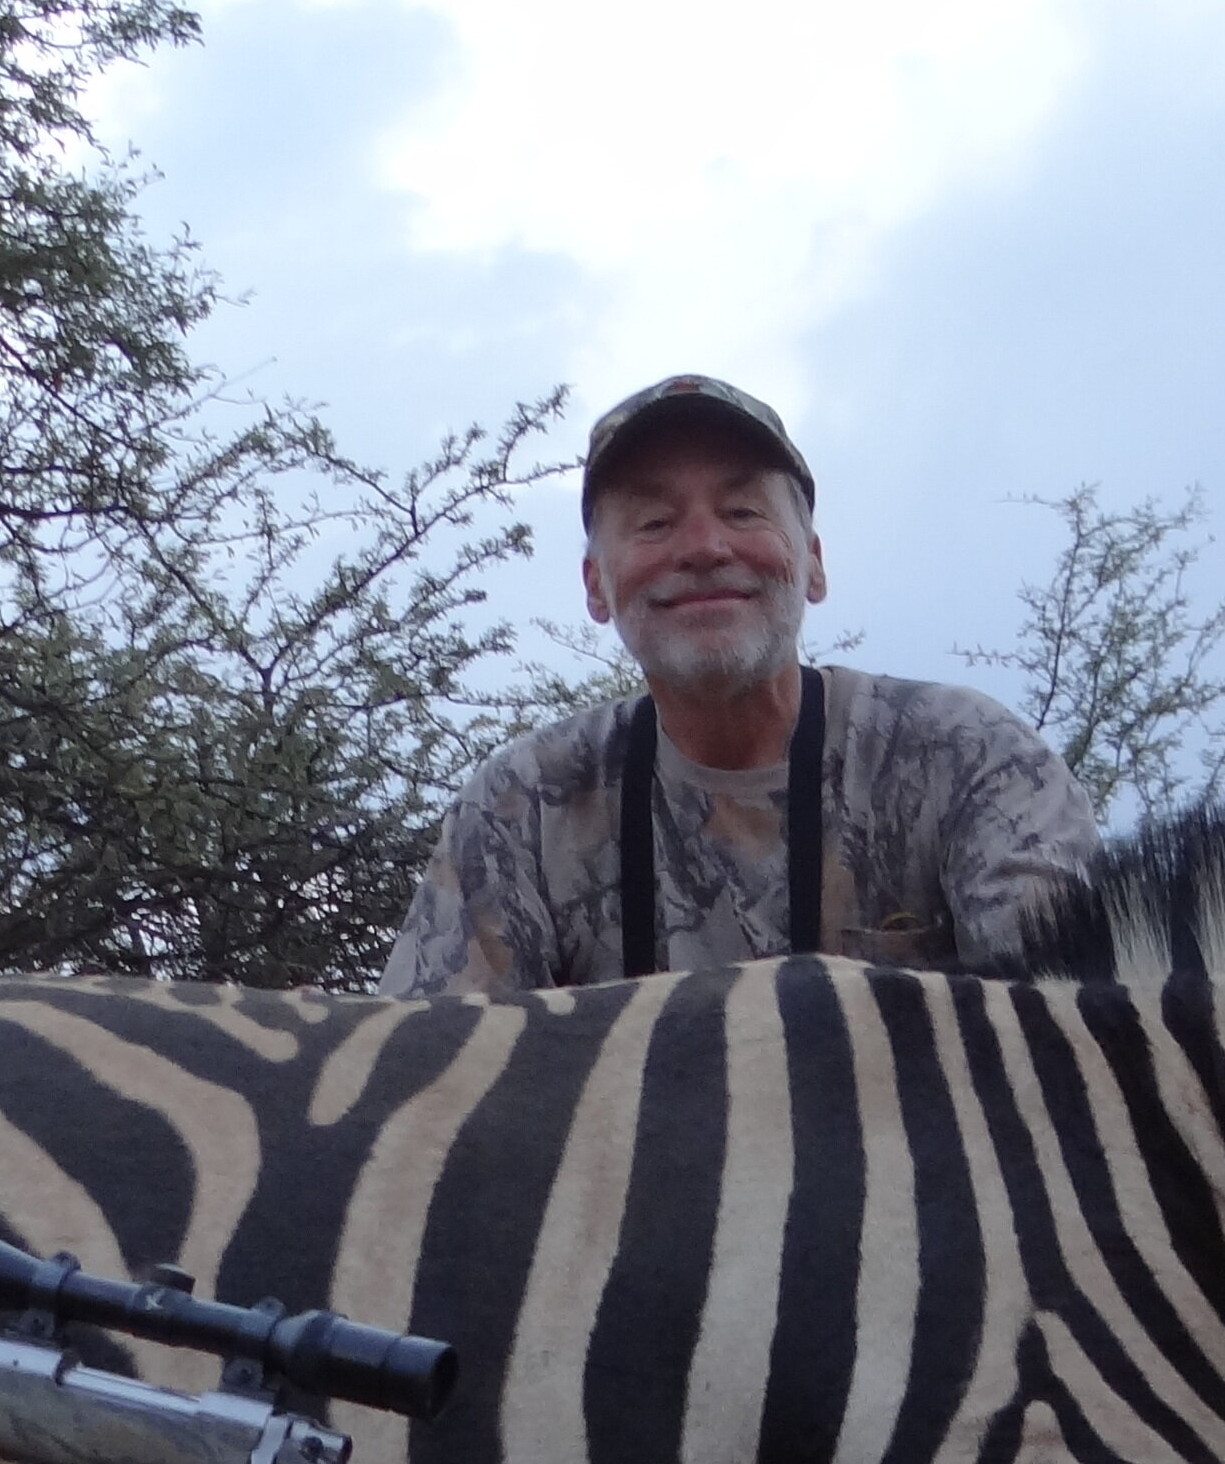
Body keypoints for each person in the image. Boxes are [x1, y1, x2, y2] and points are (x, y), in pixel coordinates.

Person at [378, 375, 1095, 997]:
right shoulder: (522, 805)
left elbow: (1081, 1029)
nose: (705, 548)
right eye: (654, 522)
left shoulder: (969, 754)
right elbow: (427, 1071)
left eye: (744, 512)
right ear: (596, 585)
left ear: (812, 563)